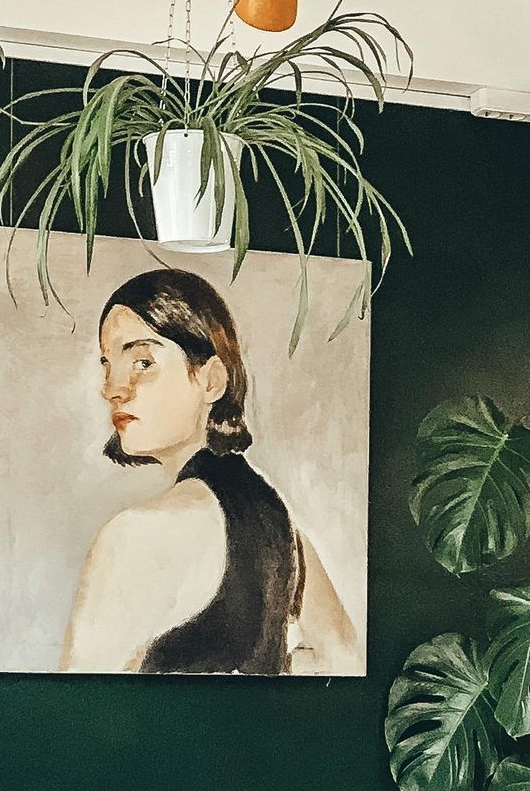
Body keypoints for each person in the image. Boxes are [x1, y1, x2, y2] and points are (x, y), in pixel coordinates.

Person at [61, 267, 359, 676]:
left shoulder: (136, 534)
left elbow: (77, 710)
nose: (113, 387)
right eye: (108, 364)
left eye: (143, 362)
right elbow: (344, 659)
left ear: (212, 380)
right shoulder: (286, 532)